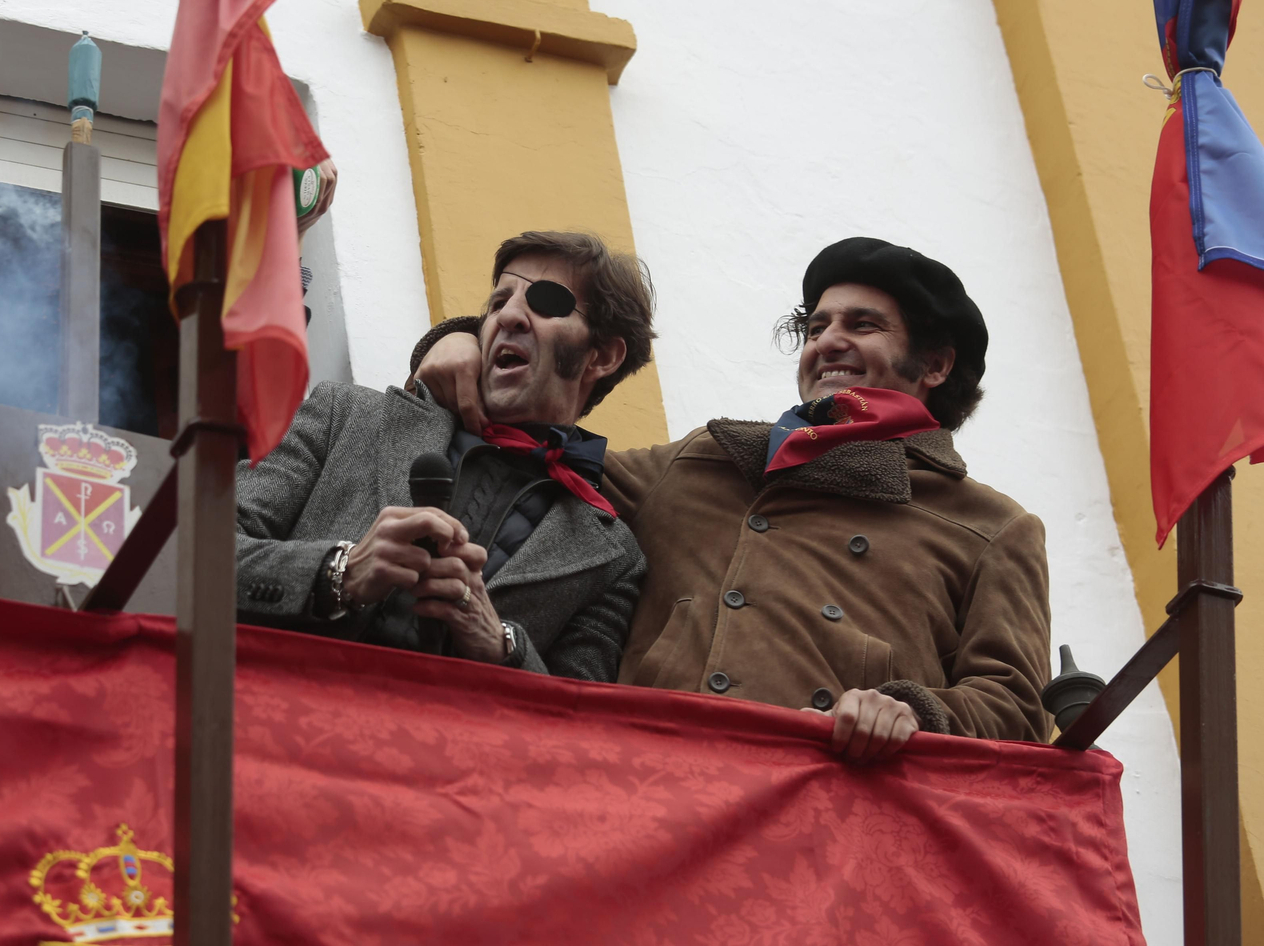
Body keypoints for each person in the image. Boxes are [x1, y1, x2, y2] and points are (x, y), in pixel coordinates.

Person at [410, 237, 1052, 756]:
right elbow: (537, 438)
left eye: (863, 325)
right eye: (816, 325)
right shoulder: (706, 460)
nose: (827, 341)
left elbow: (1018, 706)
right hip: (638, 785)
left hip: (823, 810)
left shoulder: (994, 527)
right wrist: (460, 336)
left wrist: (913, 708)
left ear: (935, 365)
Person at [235, 231, 655, 680]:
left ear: (602, 356)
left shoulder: (612, 556)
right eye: (496, 303)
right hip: (261, 723)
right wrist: (338, 573)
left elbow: (582, 719)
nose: (508, 315)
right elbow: (196, 548)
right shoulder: (345, 417)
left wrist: (501, 646)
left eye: (547, 301)